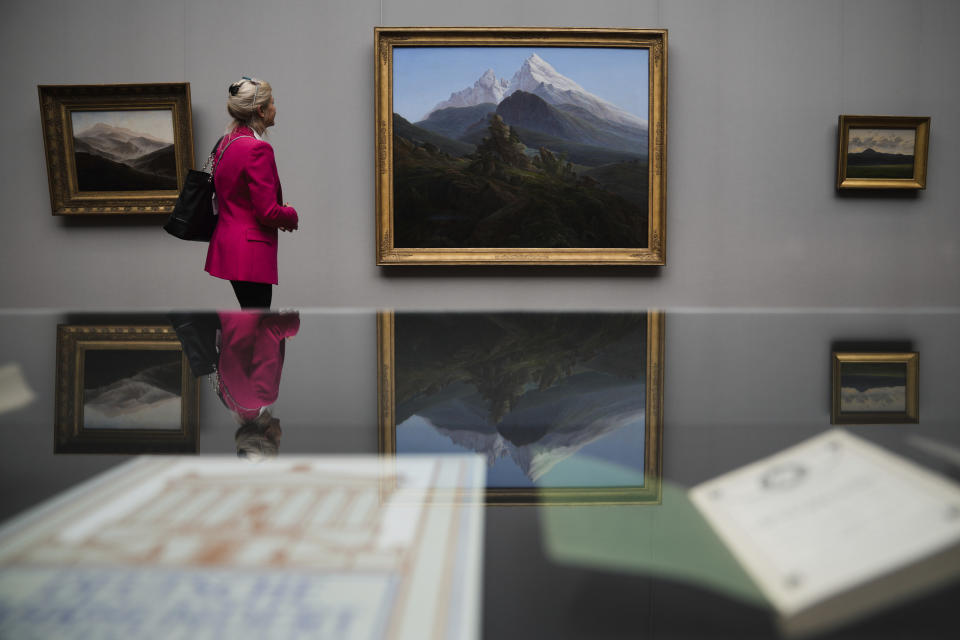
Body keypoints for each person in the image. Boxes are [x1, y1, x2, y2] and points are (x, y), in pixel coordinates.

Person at [205, 77, 298, 309]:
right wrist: (290, 215)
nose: (275, 108)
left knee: (249, 329)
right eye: (272, 103)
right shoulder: (258, 149)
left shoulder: (226, 143)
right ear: (261, 110)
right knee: (258, 329)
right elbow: (266, 212)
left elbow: (237, 198)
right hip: (250, 252)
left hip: (229, 246)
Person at [214, 310, 300, 459]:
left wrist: (293, 326)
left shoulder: (262, 396)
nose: (281, 435)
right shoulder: (230, 402)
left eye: (279, 441)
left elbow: (271, 330)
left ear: (268, 433)